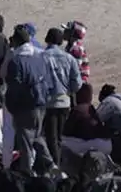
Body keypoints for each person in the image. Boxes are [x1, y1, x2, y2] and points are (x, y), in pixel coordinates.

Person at [4, 25, 53, 174]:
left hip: (25, 106)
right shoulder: (39, 58)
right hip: (41, 104)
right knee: (37, 136)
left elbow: (14, 87)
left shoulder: (16, 61)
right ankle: (50, 164)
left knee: (25, 140)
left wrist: (11, 106)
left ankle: (26, 172)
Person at [42, 27, 82, 168]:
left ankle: (54, 166)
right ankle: (58, 164)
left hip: (48, 102)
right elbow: (77, 83)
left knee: (50, 137)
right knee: (59, 137)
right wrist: (68, 91)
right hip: (64, 101)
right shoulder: (69, 58)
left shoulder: (41, 57)